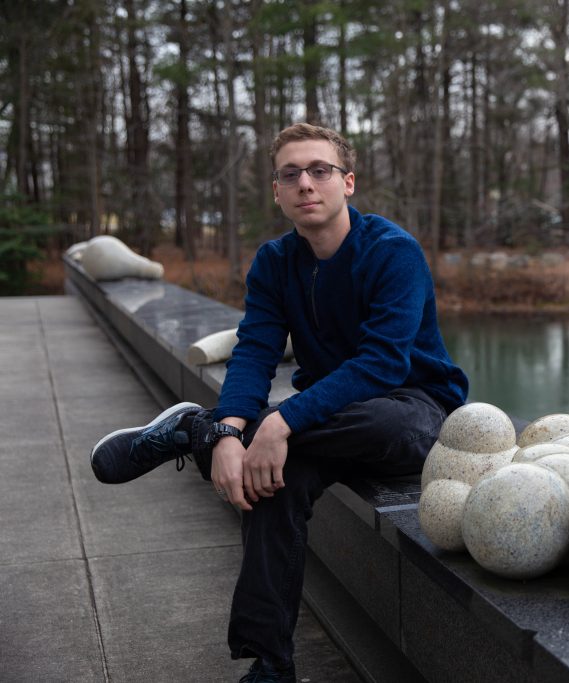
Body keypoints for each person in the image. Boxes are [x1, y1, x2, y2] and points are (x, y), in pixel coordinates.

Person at [89, 123, 469, 683]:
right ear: (277, 191)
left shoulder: (392, 252)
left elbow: (384, 364)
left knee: (375, 425)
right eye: (291, 174)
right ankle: (271, 665)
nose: (306, 184)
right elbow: (254, 354)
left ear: (348, 183)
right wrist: (235, 430)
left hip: (410, 407)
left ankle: (192, 431)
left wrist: (275, 423)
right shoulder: (274, 262)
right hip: (324, 413)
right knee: (270, 485)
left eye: (320, 170)